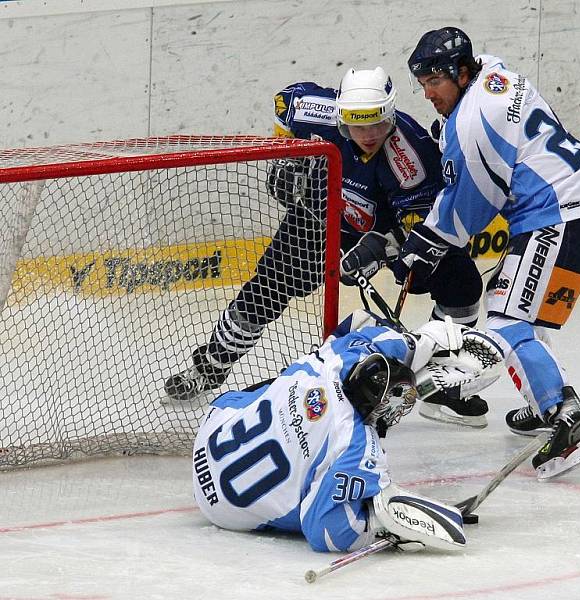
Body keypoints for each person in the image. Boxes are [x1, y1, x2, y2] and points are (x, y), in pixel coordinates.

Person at [165, 66, 488, 427]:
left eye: (377, 125)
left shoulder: (412, 158)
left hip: (378, 231)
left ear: (390, 114)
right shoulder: (310, 108)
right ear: (341, 116)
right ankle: (210, 365)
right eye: (356, 126)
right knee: (264, 292)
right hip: (317, 218)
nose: (367, 135)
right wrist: (289, 162)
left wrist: (380, 249)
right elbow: (282, 106)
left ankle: (439, 384)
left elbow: (422, 226)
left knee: (461, 281)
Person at [394, 28, 580, 479]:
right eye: (422, 84)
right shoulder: (498, 75)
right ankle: (541, 403)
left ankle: (567, 421)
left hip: (557, 216)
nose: (428, 93)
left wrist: (423, 245)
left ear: (460, 73)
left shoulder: (471, 120)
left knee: (506, 320)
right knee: (518, 308)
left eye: (435, 81)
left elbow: (472, 205)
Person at [191, 310, 501, 553]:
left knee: (274, 391)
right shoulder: (356, 447)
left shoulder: (333, 361)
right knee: (326, 491)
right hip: (222, 509)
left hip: (207, 442)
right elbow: (325, 532)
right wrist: (383, 524)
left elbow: (365, 327)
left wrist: (420, 343)